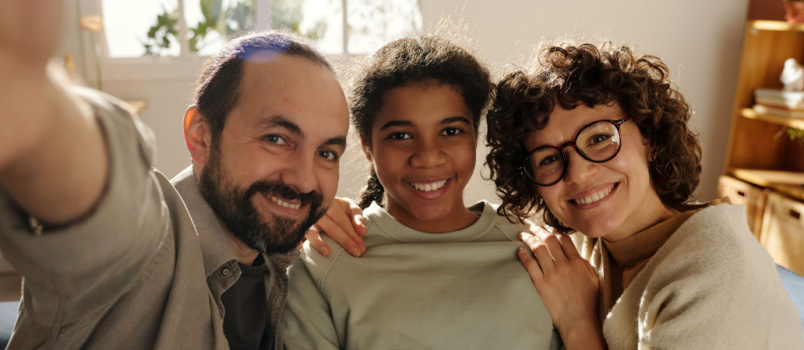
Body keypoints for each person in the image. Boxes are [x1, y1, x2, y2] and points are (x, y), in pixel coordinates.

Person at [0, 1, 349, 348]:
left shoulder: (292, 262)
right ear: (201, 135)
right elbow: (110, 200)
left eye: (326, 154)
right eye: (276, 139)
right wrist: (35, 108)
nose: (304, 180)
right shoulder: (148, 246)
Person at [485, 41, 804, 349]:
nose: (578, 174)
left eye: (598, 138)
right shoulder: (591, 247)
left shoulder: (718, 274)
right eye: (549, 159)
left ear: (649, 137)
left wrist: (577, 322)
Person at [282, 34, 562, 350]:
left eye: (451, 131)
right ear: (366, 144)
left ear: (474, 134)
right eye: (401, 135)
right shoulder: (322, 264)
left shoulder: (541, 254)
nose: (428, 156)